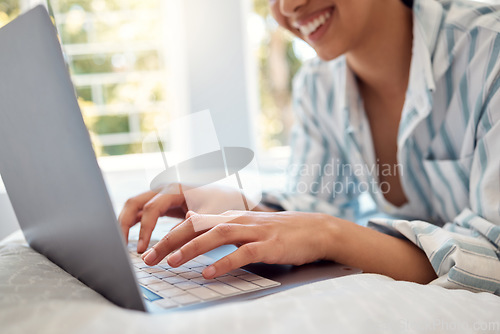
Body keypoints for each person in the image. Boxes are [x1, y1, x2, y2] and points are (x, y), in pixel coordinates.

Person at [119, 0, 500, 294]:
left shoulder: (489, 48)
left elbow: (493, 260)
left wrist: (328, 234)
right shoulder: (320, 84)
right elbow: (314, 205)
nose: (286, 8)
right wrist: (233, 206)